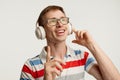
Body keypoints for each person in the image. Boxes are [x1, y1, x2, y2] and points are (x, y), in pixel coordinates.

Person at [20, 5, 120, 80]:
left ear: (69, 26)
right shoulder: (30, 66)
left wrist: (91, 45)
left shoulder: (82, 57)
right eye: (52, 21)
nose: (60, 24)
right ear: (42, 31)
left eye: (63, 20)